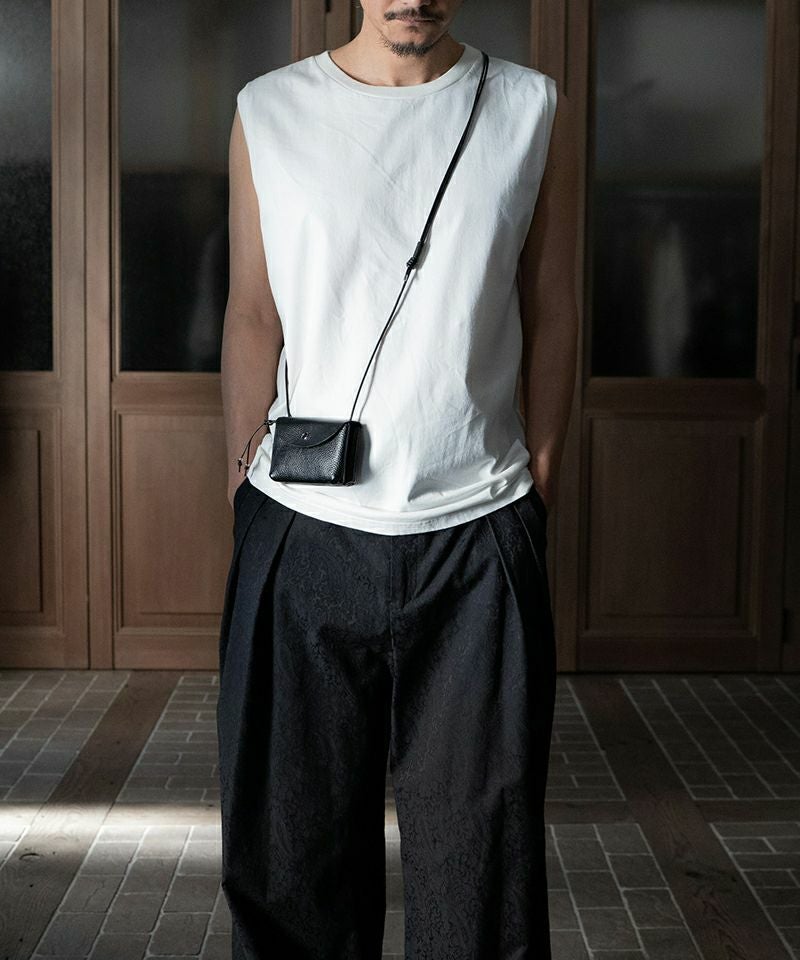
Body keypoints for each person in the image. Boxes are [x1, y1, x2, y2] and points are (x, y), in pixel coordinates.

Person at [217, 1, 578, 957]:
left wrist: (540, 472)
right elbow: (252, 311)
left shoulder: (531, 106)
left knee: (482, 871)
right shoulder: (269, 109)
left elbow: (551, 301)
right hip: (303, 525)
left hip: (479, 531)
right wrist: (244, 485)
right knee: (291, 862)